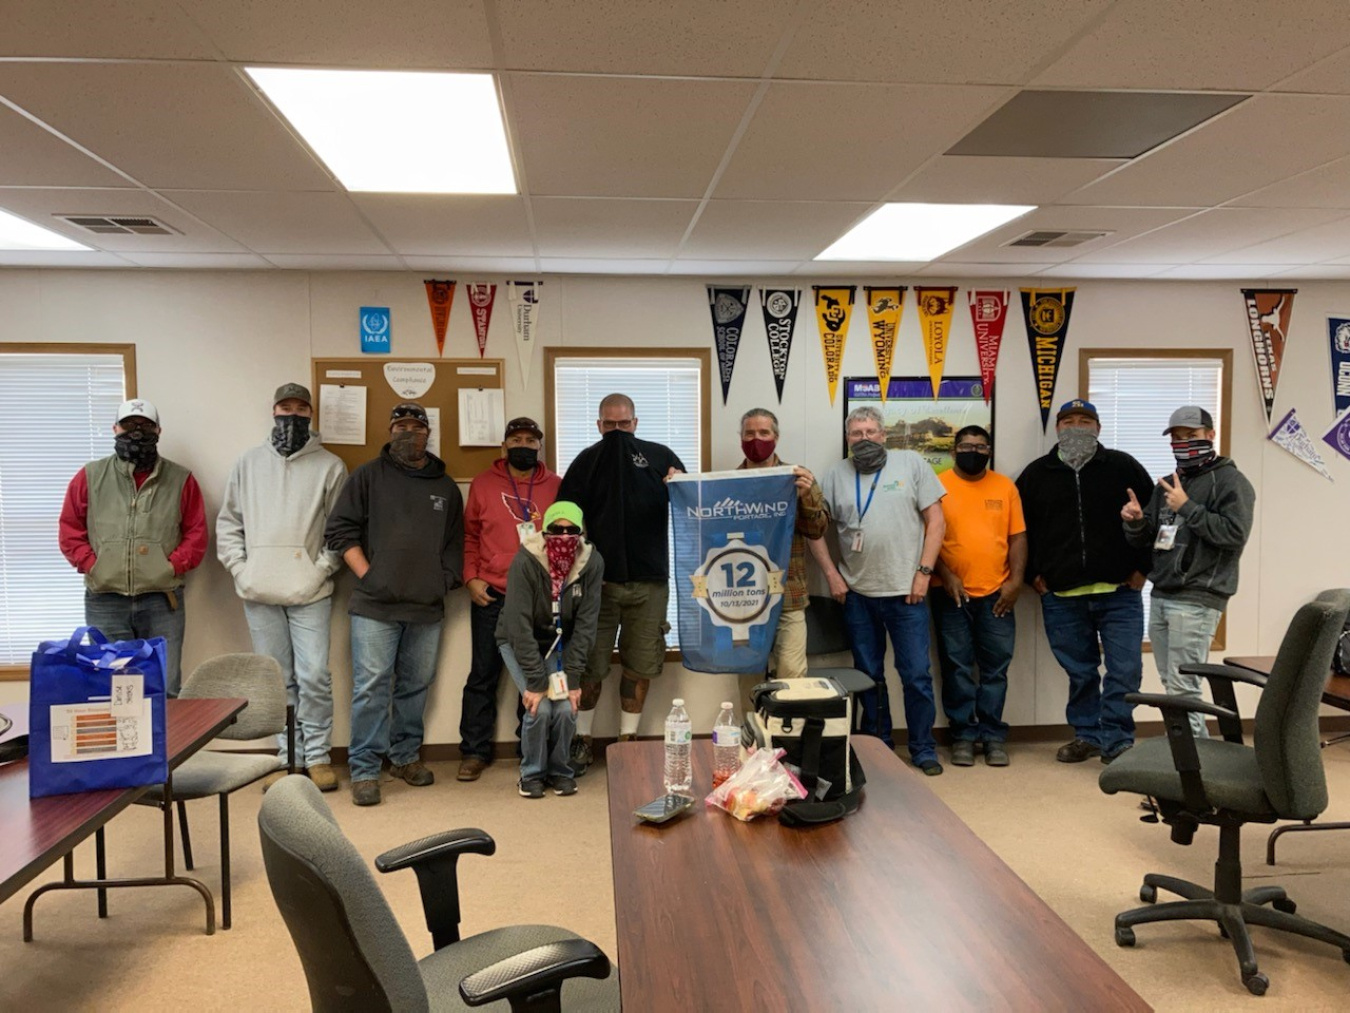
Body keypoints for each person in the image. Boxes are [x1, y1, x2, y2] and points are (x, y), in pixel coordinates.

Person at [324, 402, 464, 806]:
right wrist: (370, 575)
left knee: (415, 687)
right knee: (371, 687)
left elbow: (455, 545)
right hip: (375, 605)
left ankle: (404, 757)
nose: (409, 432)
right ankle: (365, 768)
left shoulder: (445, 486)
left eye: (416, 426)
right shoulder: (367, 476)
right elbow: (340, 531)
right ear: (389, 430)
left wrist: (444, 581)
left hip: (426, 607)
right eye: (400, 424)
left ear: (428, 432)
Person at [217, 383, 347, 792]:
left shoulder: (331, 466)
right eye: (284, 407)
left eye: (301, 408)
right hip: (259, 590)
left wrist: (320, 570)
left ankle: (319, 757)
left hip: (311, 591)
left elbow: (340, 530)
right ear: (273, 410)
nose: (292, 414)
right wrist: (242, 570)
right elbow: (229, 523)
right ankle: (286, 756)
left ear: (311, 414)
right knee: (277, 678)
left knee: (313, 676)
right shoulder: (247, 463)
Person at [1016, 399, 1153, 765]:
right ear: (1057, 428)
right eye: (1069, 421)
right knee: (1080, 672)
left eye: (1085, 421)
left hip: (1120, 593)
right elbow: (1017, 532)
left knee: (1125, 671)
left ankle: (1118, 739)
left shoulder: (1123, 466)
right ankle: (1087, 735)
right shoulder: (1035, 475)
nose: (1077, 427)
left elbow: (1153, 519)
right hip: (1061, 596)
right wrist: (1032, 577)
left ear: (1098, 429)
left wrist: (1144, 568)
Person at [811, 406, 946, 775]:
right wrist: (832, 576)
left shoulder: (911, 464)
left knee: (916, 675)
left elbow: (936, 521)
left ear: (884, 435)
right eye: (857, 433)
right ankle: (878, 746)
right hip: (856, 594)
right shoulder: (835, 475)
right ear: (848, 438)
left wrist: (923, 573)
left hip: (907, 593)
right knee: (868, 675)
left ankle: (922, 748)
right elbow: (814, 529)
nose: (864, 438)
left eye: (871, 431)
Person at [556, 393, 685, 776]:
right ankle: (581, 740)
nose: (617, 432)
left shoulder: (661, 456)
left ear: (636, 423)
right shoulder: (585, 461)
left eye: (623, 424)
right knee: (589, 667)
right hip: (599, 585)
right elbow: (564, 525)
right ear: (598, 425)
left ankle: (627, 742)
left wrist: (679, 484)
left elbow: (692, 506)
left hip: (650, 583)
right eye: (610, 425)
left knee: (640, 665)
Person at [1122, 406, 1255, 738]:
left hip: (1198, 598)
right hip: (1163, 593)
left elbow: (1234, 534)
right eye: (1177, 439)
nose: (1184, 444)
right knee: (1172, 683)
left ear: (1210, 435)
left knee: (1183, 686)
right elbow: (1148, 539)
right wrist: (1135, 521)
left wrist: (1189, 508)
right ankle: (1185, 755)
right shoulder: (1168, 483)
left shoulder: (1232, 482)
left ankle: (1196, 764)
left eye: (1192, 436)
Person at [59, 398, 207, 696]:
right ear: (115, 429)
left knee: (164, 688)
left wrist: (169, 568)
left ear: (158, 431)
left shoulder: (181, 479)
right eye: (128, 425)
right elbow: (70, 530)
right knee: (111, 688)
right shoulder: (89, 476)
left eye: (145, 426)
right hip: (105, 601)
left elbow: (196, 533)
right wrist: (93, 565)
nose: (136, 432)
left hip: (162, 601)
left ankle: (168, 743)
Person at [458, 417, 561, 782]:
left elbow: (566, 540)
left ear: (539, 447)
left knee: (533, 676)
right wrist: (470, 577)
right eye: (516, 439)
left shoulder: (557, 485)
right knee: (483, 674)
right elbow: (470, 536)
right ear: (504, 446)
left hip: (538, 598)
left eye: (531, 440)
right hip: (491, 593)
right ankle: (474, 751)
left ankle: (528, 749)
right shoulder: (483, 485)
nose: (524, 445)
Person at [930, 426, 1026, 768]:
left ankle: (993, 735)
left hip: (997, 594)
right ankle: (963, 735)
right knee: (956, 668)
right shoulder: (937, 485)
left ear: (989, 451)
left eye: (982, 446)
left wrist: (1015, 582)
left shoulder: (1005, 486)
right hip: (950, 593)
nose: (975, 451)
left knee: (995, 669)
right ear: (954, 450)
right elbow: (926, 539)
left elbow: (1017, 538)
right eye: (968, 446)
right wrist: (946, 574)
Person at [496, 501, 604, 799]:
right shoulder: (526, 560)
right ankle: (531, 773)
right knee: (539, 707)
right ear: (545, 532)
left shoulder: (592, 562)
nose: (564, 536)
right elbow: (518, 625)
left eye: (572, 530)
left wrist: (572, 678)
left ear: (582, 533)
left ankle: (561, 771)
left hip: (563, 644)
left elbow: (586, 626)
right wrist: (535, 681)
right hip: (520, 641)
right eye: (557, 530)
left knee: (568, 707)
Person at [736, 408, 827, 688]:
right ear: (740, 438)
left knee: (792, 677)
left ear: (776, 436)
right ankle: (752, 731)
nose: (756, 438)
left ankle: (788, 732)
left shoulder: (799, 478)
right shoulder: (729, 484)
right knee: (749, 679)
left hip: (789, 596)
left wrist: (804, 498)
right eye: (749, 433)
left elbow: (817, 530)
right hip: (743, 599)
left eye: (764, 432)